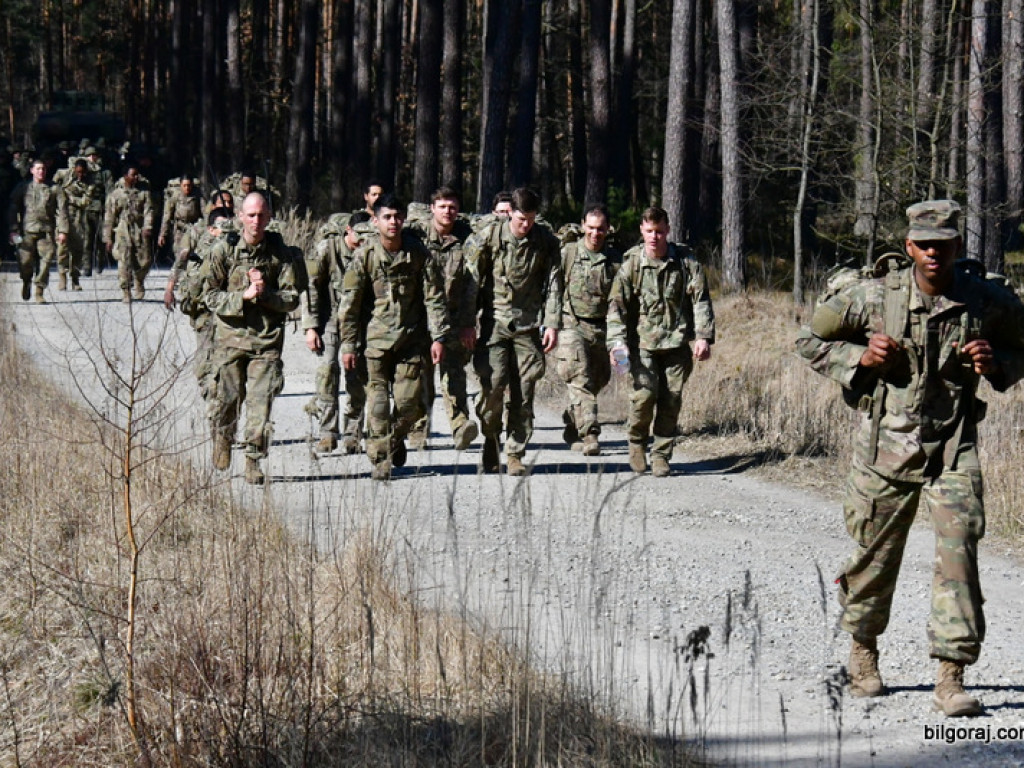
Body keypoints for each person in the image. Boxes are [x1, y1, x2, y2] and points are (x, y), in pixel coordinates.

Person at [796, 200, 1024, 717]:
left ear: (957, 248)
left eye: (943, 246)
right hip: (884, 448)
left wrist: (998, 363)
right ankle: (864, 654)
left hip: (953, 447)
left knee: (959, 555)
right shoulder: (873, 297)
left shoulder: (984, 301)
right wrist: (859, 358)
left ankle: (951, 674)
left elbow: (1021, 347)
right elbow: (807, 339)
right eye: (924, 245)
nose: (933, 255)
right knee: (873, 557)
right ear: (908, 247)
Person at [339, 194, 449, 481]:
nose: (393, 222)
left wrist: (438, 337)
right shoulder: (364, 256)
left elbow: (434, 298)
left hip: (410, 342)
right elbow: (349, 305)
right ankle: (380, 460)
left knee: (410, 405)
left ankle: (390, 442)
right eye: (387, 217)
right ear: (375, 221)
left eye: (398, 217)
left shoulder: (418, 254)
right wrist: (349, 344)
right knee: (377, 404)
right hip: (375, 343)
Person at [200, 192, 302, 484]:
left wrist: (266, 294)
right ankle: (223, 437)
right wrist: (241, 298)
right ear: (241, 217)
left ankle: (253, 460)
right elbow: (209, 295)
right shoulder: (223, 251)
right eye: (251, 215)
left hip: (266, 342)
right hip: (230, 341)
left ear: (269, 218)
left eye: (261, 215)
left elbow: (292, 298)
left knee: (261, 405)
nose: (256, 221)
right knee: (227, 400)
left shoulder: (280, 254)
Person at [606, 206, 715, 477]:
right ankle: (636, 442)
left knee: (671, 400)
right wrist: (617, 343)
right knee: (644, 397)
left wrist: (703, 337)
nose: (654, 237)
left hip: (677, 343)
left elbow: (700, 300)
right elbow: (616, 307)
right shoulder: (632, 263)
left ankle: (662, 454)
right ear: (642, 231)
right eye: (649, 231)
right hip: (641, 344)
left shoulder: (685, 262)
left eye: (659, 231)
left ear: (667, 231)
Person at [463, 187, 562, 476]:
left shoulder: (545, 242)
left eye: (531, 218)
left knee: (525, 391)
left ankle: (516, 451)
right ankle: (491, 442)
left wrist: (552, 323)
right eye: (521, 218)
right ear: (510, 215)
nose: (526, 224)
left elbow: (555, 285)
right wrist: (468, 322)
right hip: (495, 324)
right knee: (493, 387)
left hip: (528, 326)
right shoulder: (488, 238)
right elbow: (471, 283)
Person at [404, 187, 479, 451]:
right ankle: (418, 429)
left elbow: (472, 284)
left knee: (455, 374)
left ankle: (460, 426)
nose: (448, 212)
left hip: (456, 318)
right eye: (443, 206)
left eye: (453, 207)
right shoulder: (416, 237)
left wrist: (469, 323)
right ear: (432, 207)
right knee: (421, 374)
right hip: (421, 318)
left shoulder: (467, 239)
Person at [302, 211, 370, 455]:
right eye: (359, 235)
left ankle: (353, 433)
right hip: (330, 317)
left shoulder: (371, 251)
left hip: (359, 321)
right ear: (348, 231)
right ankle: (327, 432)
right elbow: (309, 287)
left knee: (357, 375)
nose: (363, 240)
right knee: (327, 370)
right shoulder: (326, 249)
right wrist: (310, 326)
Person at [555, 204, 620, 455]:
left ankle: (574, 421)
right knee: (580, 376)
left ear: (608, 229)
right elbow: (552, 290)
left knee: (597, 380)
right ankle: (591, 433)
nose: (595, 233)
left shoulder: (615, 261)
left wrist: (620, 339)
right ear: (583, 226)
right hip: (571, 324)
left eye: (600, 229)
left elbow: (619, 300)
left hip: (602, 328)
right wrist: (548, 325)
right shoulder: (568, 253)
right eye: (591, 228)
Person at [164, 207, 234, 404]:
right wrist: (170, 288)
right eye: (223, 227)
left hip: (228, 312)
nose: (227, 232)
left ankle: (223, 393)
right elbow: (180, 263)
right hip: (203, 311)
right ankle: (209, 393)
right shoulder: (199, 245)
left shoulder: (237, 247)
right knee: (205, 355)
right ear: (211, 229)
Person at [7, 159, 60, 303]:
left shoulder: (53, 188)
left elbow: (62, 211)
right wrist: (13, 230)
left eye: (43, 169)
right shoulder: (23, 187)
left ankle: (39, 291)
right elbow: (13, 209)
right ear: (32, 171)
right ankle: (26, 281)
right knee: (25, 262)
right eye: (38, 169)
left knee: (46, 261)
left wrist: (62, 231)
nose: (41, 171)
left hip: (46, 231)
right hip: (26, 231)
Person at [103, 164, 154, 303]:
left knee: (145, 260)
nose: (136, 177)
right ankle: (126, 290)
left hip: (139, 229)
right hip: (122, 229)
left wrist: (147, 226)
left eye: (137, 174)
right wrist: (107, 238)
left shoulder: (143, 192)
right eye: (133, 175)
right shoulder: (116, 194)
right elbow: (109, 217)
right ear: (125, 176)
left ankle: (139, 280)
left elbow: (148, 210)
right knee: (124, 261)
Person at [55, 159, 104, 291]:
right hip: (62, 216)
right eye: (78, 172)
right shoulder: (64, 175)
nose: (80, 175)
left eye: (83, 172)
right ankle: (62, 276)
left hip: (78, 219)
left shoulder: (90, 183)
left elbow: (85, 202)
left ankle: (75, 278)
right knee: (62, 250)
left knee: (77, 251)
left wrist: (68, 197)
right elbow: (54, 187)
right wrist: (60, 195)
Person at [158, 176, 203, 256]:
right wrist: (162, 234)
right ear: (181, 185)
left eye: (189, 185)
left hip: (194, 228)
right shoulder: (175, 196)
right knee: (179, 254)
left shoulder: (197, 195)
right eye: (184, 185)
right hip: (179, 228)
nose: (187, 188)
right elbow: (167, 216)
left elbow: (205, 212)